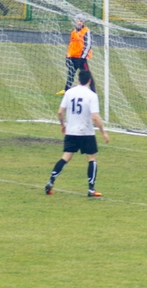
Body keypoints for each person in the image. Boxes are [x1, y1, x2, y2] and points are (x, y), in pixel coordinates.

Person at [45, 70, 109, 198]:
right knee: (92, 159)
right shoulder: (92, 95)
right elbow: (95, 117)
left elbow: (60, 112)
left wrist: (63, 125)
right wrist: (103, 132)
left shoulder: (69, 92)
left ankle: (51, 181)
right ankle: (91, 189)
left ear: (78, 79)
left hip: (71, 131)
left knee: (65, 157)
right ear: (90, 80)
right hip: (86, 132)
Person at [57, 14, 92, 95]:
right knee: (70, 75)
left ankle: (91, 91)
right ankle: (66, 91)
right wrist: (68, 56)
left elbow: (88, 45)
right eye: (78, 21)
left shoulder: (86, 31)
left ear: (83, 22)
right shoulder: (73, 32)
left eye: (81, 21)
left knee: (86, 74)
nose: (79, 23)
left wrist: (82, 58)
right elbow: (71, 45)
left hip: (81, 59)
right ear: (75, 21)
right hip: (72, 57)